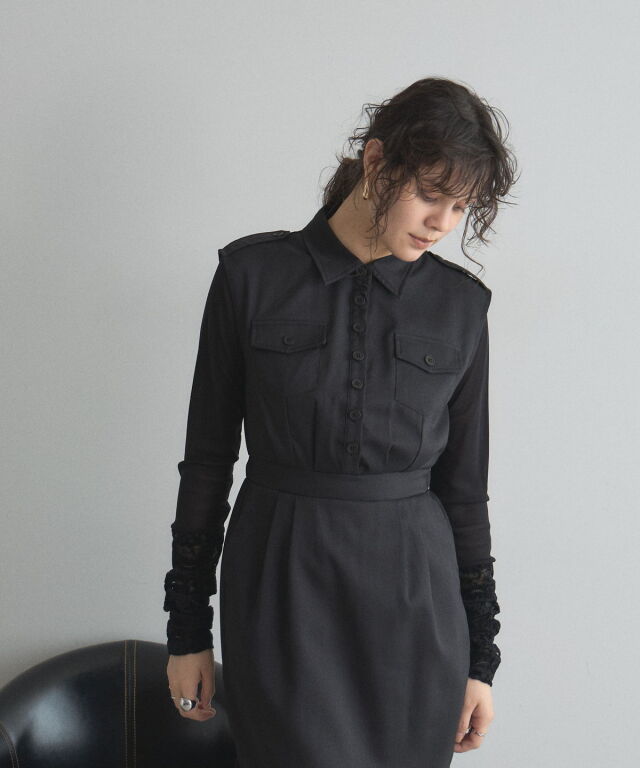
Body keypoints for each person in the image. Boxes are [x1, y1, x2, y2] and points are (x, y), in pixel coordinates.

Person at [163, 76, 518, 767]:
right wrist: (187, 632)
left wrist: (481, 661)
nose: (443, 223)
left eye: (461, 207)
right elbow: (206, 464)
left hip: (416, 603)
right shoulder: (250, 276)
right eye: (431, 194)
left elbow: (465, 493)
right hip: (280, 587)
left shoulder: (461, 307)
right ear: (376, 162)